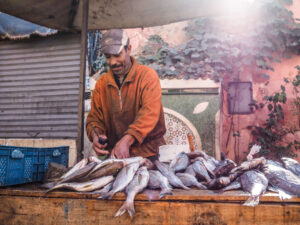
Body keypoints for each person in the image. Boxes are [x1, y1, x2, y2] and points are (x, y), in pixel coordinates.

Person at [86, 29, 166, 161]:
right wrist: (96, 135)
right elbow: (94, 119)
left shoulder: (147, 76)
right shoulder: (101, 84)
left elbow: (149, 113)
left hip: (148, 153)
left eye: (117, 55)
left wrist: (127, 140)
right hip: (115, 156)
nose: (112, 62)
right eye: (108, 56)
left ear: (128, 49)